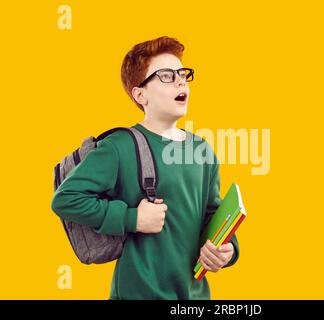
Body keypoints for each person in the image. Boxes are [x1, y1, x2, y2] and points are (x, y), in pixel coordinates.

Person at [51, 36, 240, 299]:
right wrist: (132, 218)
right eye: (166, 75)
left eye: (182, 74)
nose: (180, 80)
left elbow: (211, 213)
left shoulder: (201, 149)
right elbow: (66, 199)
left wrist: (226, 249)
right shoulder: (119, 147)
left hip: (194, 296)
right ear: (140, 94)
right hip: (137, 293)